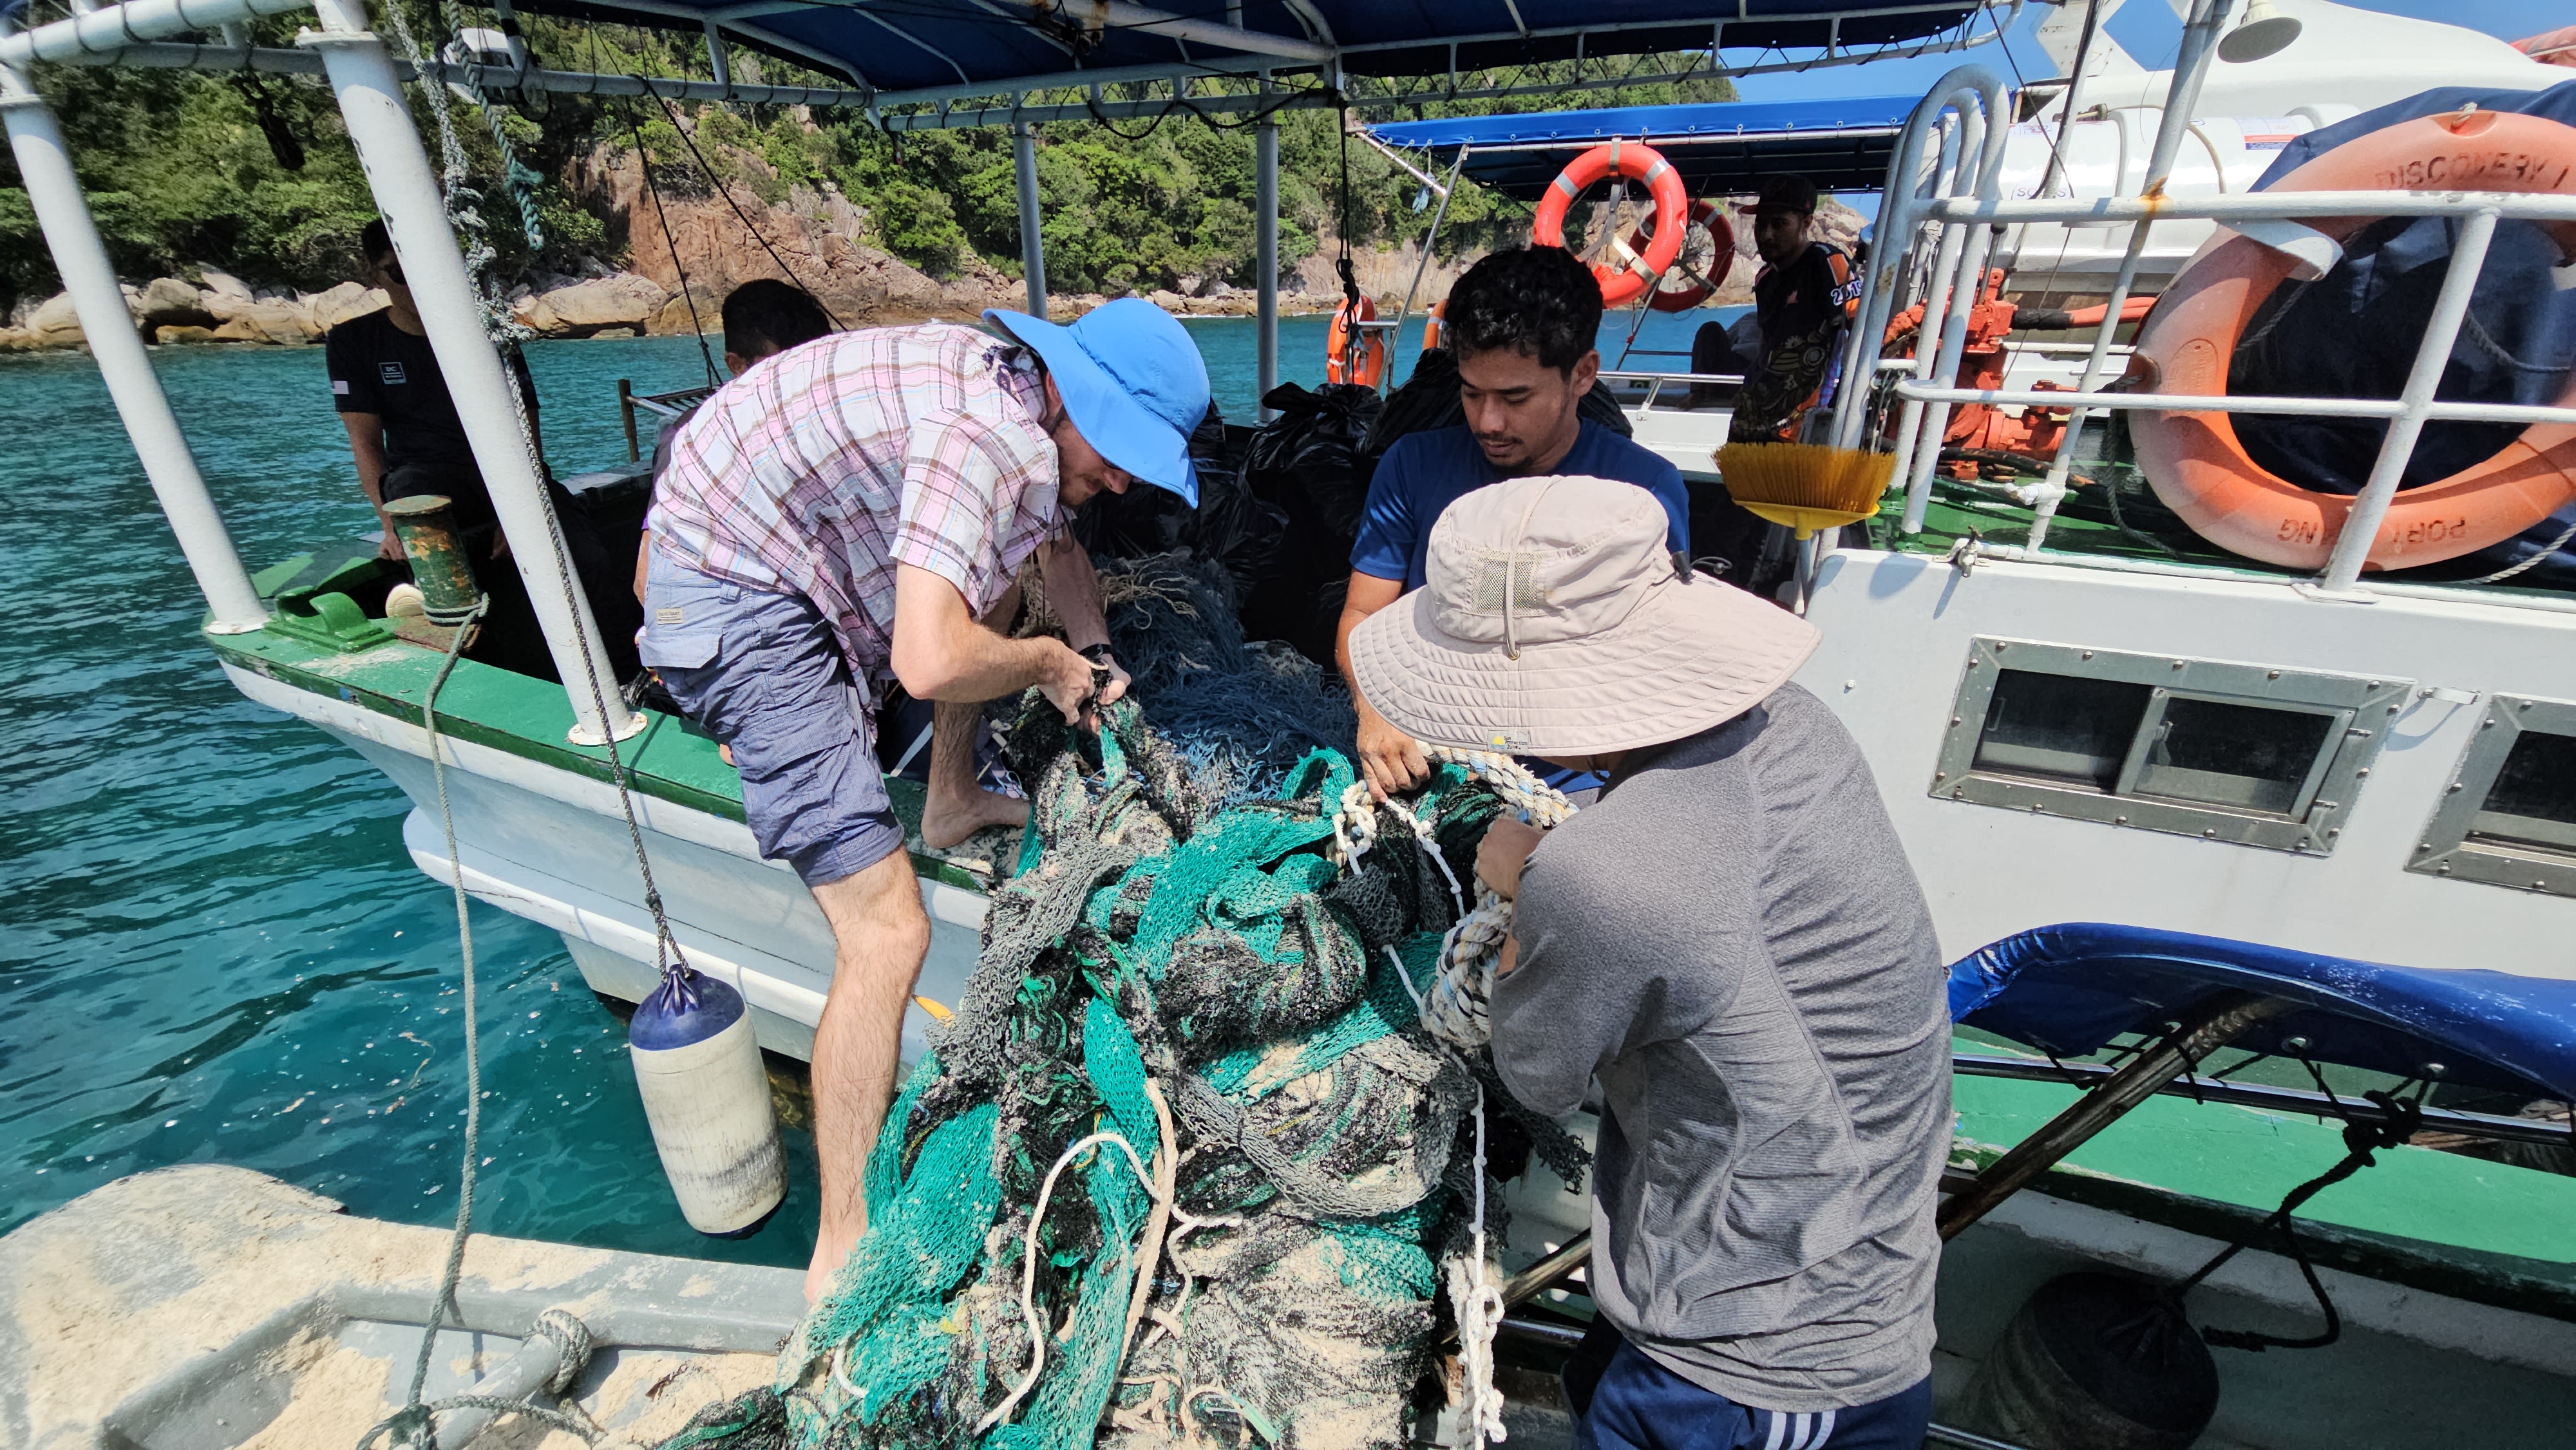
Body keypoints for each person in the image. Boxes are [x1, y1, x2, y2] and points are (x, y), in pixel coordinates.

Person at [1347, 475, 1950, 1450]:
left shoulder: (1605, 875)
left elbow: (1537, 1074)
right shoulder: (1795, 727)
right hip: (1834, 1252)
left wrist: (1519, 881)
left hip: (1765, 1356)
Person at [640, 300, 1208, 1301]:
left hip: (789, 548)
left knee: (987, 582)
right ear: (1068, 393)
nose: (1122, 477)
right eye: (1118, 451)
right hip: (732, 591)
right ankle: (840, 1257)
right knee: (888, 933)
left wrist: (1099, 661)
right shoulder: (987, 439)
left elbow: (1056, 552)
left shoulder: (1027, 406)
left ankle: (948, 799)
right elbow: (930, 656)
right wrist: (1045, 663)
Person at [1334, 245, 1690, 801]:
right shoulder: (1411, 466)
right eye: (1472, 393)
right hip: (1429, 759)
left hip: (1579, 778)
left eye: (1516, 397)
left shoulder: (1645, 494)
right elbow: (1362, 613)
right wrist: (1375, 709)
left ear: (1583, 375)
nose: (1489, 421)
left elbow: (1659, 667)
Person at [330, 220, 632, 679]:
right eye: (397, 274)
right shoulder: (355, 342)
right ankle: (446, 634)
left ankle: (628, 671)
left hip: (508, 471)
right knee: (411, 489)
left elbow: (526, 426)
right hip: (426, 477)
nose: (414, 286)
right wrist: (390, 525)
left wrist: (521, 512)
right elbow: (365, 442)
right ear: (376, 275)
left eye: (423, 272)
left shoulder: (487, 332)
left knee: (590, 561)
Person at [1726, 175, 1862, 445]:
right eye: (1761, 224)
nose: (1766, 235)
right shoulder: (1765, 278)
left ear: (1806, 223)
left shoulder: (1827, 263)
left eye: (1779, 224)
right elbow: (1767, 344)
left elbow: (1860, 333)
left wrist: (1840, 410)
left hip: (1800, 426)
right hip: (1753, 417)